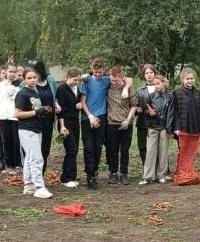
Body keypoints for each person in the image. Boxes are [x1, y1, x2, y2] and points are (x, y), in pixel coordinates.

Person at [14, 67, 53, 199]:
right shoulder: (22, 94)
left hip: (36, 127)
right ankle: (39, 187)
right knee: (37, 158)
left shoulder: (34, 93)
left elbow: (35, 110)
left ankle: (29, 185)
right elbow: (17, 114)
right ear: (24, 79)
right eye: (29, 78)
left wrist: (42, 110)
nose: (32, 80)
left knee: (30, 159)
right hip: (27, 129)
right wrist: (36, 112)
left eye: (34, 77)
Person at [79, 57, 110, 190]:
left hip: (101, 116)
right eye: (95, 72)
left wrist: (125, 87)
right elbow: (82, 101)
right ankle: (90, 176)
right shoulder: (86, 81)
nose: (98, 75)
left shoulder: (106, 80)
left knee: (98, 146)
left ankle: (95, 169)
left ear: (104, 70)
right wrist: (90, 116)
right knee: (88, 147)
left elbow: (126, 79)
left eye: (100, 72)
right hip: (87, 117)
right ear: (92, 69)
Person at [139, 75, 174, 185]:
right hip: (152, 126)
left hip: (164, 127)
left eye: (158, 83)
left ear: (164, 83)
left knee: (163, 152)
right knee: (150, 151)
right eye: (154, 84)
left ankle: (162, 175)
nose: (156, 86)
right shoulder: (151, 96)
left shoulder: (170, 96)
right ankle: (147, 176)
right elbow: (145, 110)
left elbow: (171, 113)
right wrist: (149, 113)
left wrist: (169, 129)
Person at [106, 66, 138, 185]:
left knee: (125, 149)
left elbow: (134, 105)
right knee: (112, 149)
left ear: (122, 78)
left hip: (126, 122)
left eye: (117, 81)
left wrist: (128, 119)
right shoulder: (108, 85)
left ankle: (124, 173)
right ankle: (113, 172)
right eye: (112, 80)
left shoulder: (129, 88)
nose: (114, 83)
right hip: (112, 122)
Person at [28, 59, 58, 174]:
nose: (32, 76)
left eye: (34, 72)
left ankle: (41, 173)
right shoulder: (26, 83)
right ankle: (33, 174)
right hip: (34, 120)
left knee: (45, 147)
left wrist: (56, 104)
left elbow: (55, 96)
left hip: (49, 120)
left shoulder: (50, 80)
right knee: (35, 148)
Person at [56, 67, 83, 188]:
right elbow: (59, 110)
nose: (76, 82)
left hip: (75, 121)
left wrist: (79, 105)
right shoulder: (62, 89)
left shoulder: (76, 89)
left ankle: (71, 176)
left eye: (78, 80)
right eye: (74, 79)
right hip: (65, 122)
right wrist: (62, 126)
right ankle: (66, 178)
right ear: (67, 77)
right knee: (71, 149)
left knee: (75, 149)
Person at [0, 63, 22, 175]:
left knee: (16, 141)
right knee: (6, 141)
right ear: (6, 72)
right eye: (10, 72)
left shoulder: (20, 85)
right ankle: (9, 165)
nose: (12, 74)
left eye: (14, 72)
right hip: (4, 117)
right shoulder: (1, 85)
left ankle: (18, 165)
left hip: (16, 117)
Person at [172, 67, 200, 136]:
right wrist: (176, 128)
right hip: (183, 127)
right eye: (187, 79)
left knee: (195, 146)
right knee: (183, 146)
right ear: (182, 80)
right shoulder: (177, 93)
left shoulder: (198, 93)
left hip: (196, 127)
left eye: (191, 78)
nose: (190, 81)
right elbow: (175, 113)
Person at [136, 64, 157, 166]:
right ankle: (146, 168)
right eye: (146, 73)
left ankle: (158, 170)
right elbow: (136, 106)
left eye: (151, 73)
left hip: (157, 122)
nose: (149, 75)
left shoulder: (159, 87)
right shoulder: (139, 90)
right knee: (143, 147)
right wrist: (137, 109)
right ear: (144, 75)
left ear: (154, 74)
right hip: (143, 122)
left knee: (157, 147)